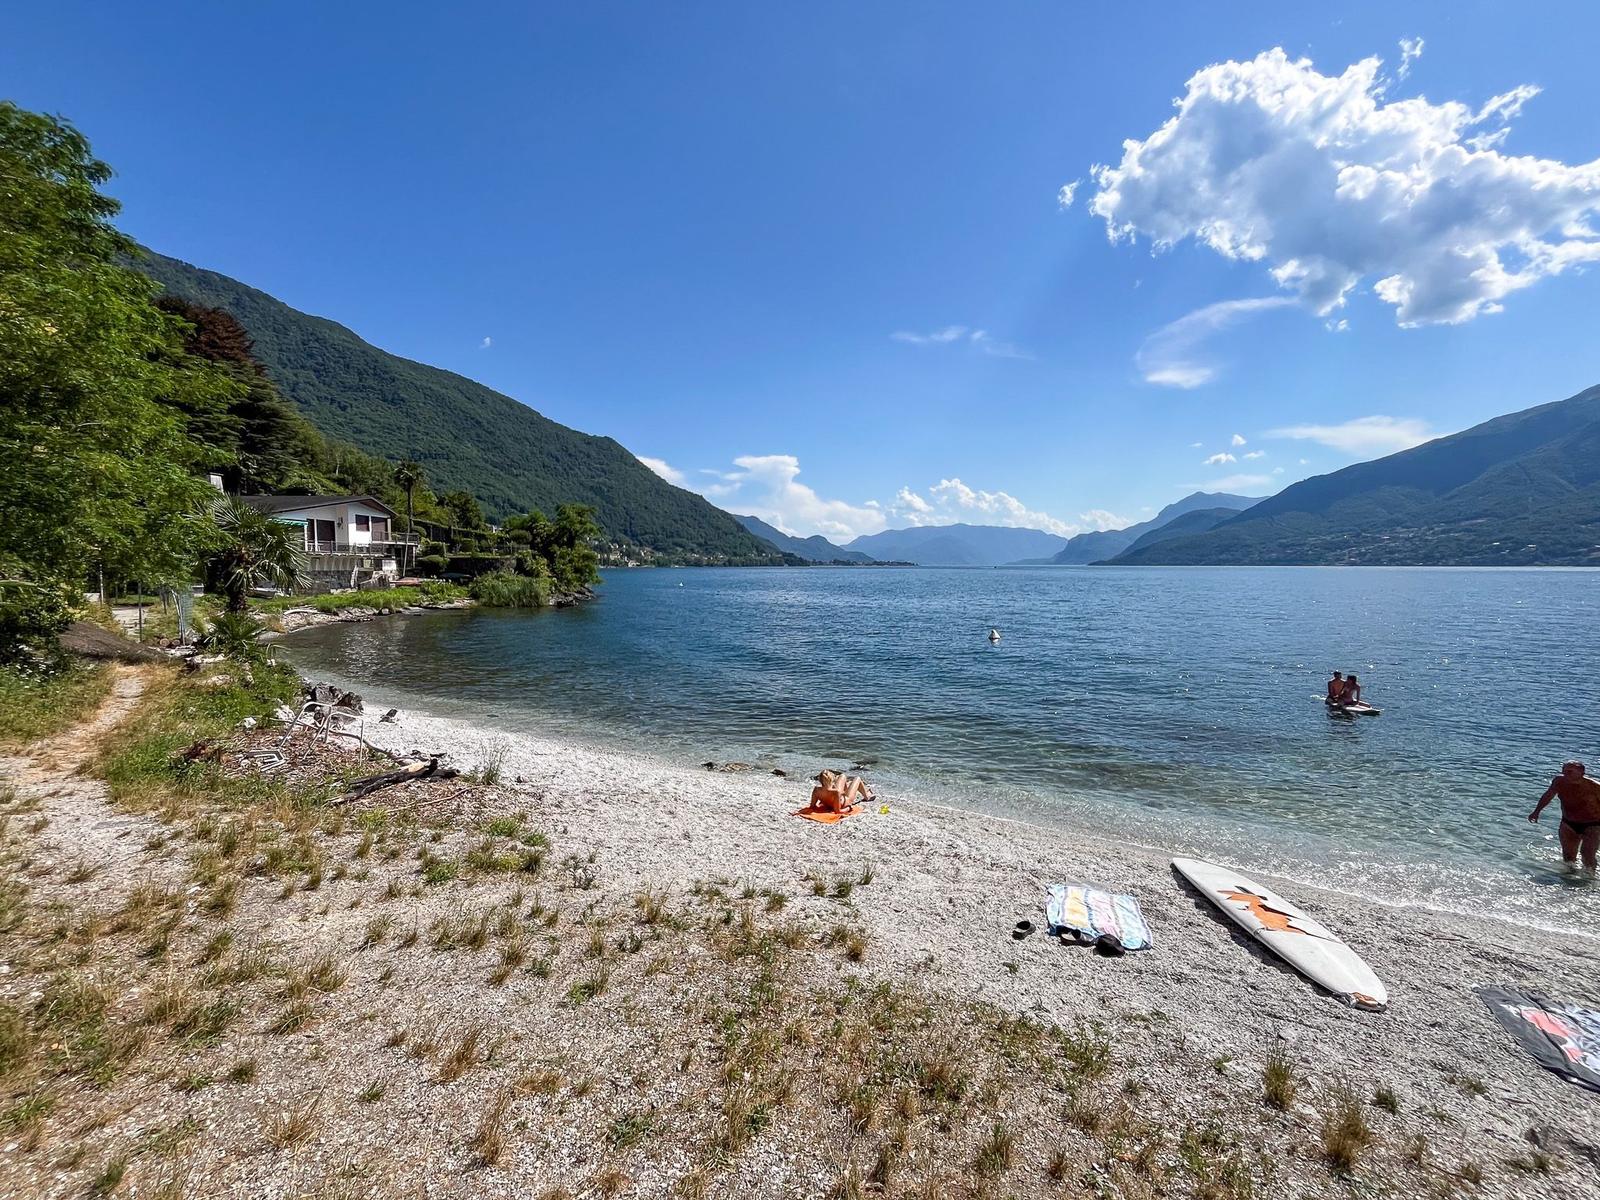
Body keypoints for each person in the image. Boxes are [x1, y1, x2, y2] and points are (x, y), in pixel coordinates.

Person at [1528, 760, 1600, 871]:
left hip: (1592, 825)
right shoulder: (1559, 782)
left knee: (1587, 855)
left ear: (1582, 773)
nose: (1565, 774)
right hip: (1568, 823)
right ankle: (1568, 881)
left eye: (1569, 771)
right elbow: (1548, 795)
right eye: (1564, 771)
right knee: (1568, 857)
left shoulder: (1594, 787)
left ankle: (1590, 882)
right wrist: (1536, 811)